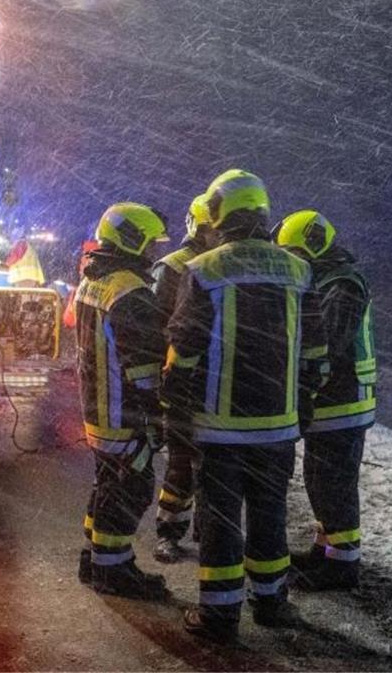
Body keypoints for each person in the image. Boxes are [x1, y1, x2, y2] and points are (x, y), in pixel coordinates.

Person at [163, 169, 325, 643]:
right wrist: (305, 404)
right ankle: (272, 602)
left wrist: (176, 409)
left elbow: (183, 352)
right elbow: (315, 352)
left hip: (219, 429)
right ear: (262, 213)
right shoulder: (299, 270)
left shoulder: (204, 270)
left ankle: (219, 616)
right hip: (277, 428)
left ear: (217, 214)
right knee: (270, 515)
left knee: (220, 521)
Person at [274, 210, 376, 591]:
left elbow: (328, 344)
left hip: (343, 402)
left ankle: (343, 566)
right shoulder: (329, 279)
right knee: (320, 480)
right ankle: (326, 549)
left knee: (334, 485)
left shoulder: (343, 285)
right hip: (333, 401)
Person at [74, 202, 169, 600]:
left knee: (108, 484)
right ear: (132, 241)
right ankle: (112, 572)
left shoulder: (93, 281)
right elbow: (144, 369)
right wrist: (159, 415)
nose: (153, 253)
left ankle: (95, 557)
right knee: (131, 488)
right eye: (150, 244)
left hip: (99, 411)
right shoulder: (130, 291)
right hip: (123, 414)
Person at [152, 194, 215, 563]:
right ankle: (180, 532)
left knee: (197, 462)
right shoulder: (177, 266)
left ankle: (192, 532)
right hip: (195, 378)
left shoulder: (184, 265)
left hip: (198, 379)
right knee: (189, 461)